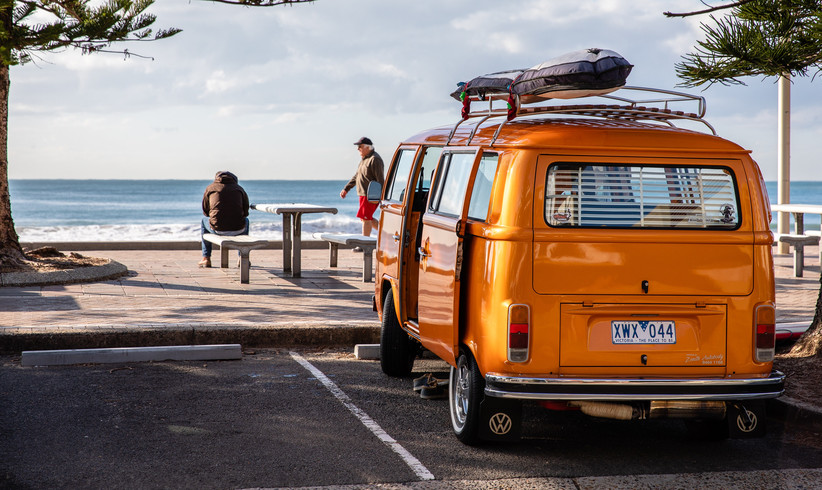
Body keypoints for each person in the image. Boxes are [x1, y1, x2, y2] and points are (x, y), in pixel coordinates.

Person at [340, 137, 385, 249]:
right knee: (365, 218)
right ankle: (385, 235)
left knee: (366, 218)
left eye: (360, 147)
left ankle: (364, 245)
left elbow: (380, 180)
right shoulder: (365, 159)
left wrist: (382, 197)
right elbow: (357, 176)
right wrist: (346, 188)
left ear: (367, 147)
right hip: (363, 194)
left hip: (370, 195)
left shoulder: (375, 159)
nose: (358, 149)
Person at [199, 171, 250, 267]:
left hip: (217, 229)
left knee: (203, 221)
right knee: (246, 221)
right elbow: (246, 212)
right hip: (238, 229)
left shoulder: (210, 188)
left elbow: (205, 211)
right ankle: (241, 257)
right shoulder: (239, 189)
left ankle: (206, 258)